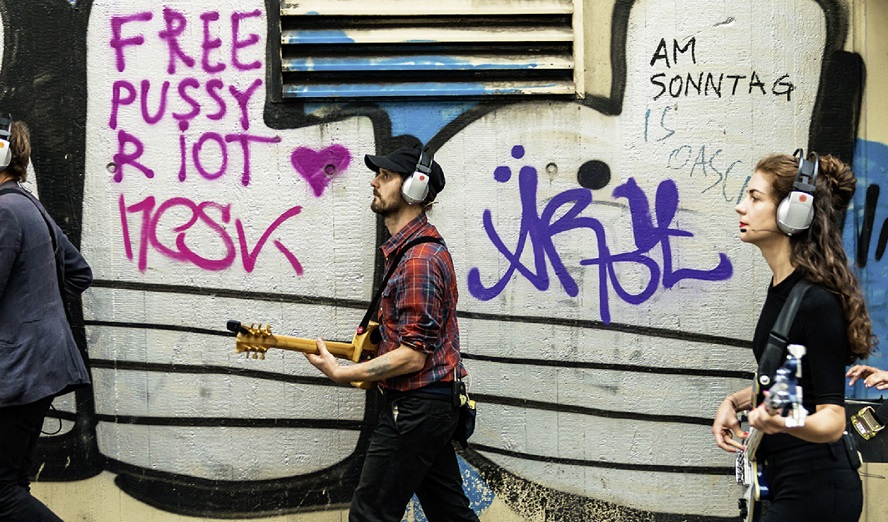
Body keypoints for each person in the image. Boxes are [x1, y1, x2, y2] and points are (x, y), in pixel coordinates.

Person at [303, 144, 479, 522]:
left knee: (370, 514)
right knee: (450, 515)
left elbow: (413, 356)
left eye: (385, 176)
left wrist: (344, 373)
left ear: (415, 188)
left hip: (417, 408)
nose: (374, 182)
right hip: (428, 406)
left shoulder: (419, 260)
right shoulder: (407, 252)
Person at [710, 151, 874, 521]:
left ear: (793, 213)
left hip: (818, 488)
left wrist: (784, 423)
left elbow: (832, 419)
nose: (740, 207)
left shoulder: (817, 302)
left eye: (755, 198)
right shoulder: (784, 288)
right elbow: (793, 380)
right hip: (788, 480)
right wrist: (735, 402)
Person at [0, 117, 92, 521]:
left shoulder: (5, 211)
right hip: (35, 370)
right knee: (12, 485)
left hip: (17, 375)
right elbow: (78, 272)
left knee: (2, 495)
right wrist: (31, 313)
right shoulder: (25, 203)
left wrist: (21, 324)